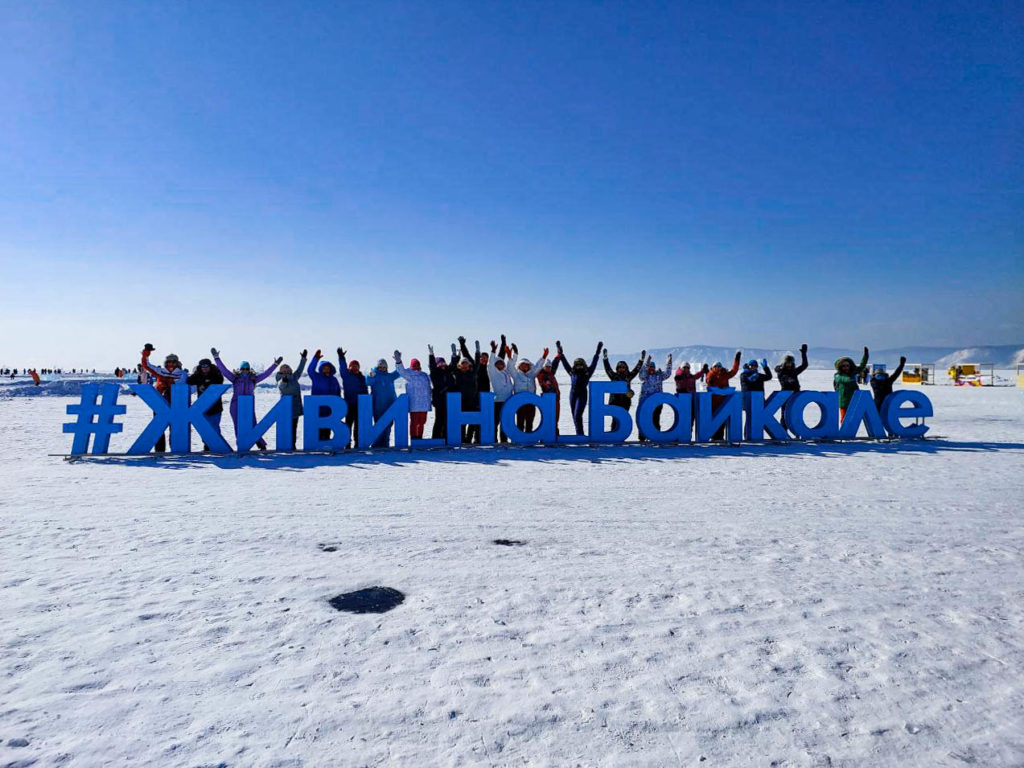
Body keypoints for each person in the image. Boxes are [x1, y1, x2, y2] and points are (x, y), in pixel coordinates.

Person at [213, 349, 281, 451]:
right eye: (243, 368)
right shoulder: (235, 378)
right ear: (240, 369)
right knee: (238, 425)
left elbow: (266, 373)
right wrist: (216, 358)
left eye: (246, 368)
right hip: (235, 405)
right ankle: (241, 444)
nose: (244, 370)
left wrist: (275, 365)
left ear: (249, 369)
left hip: (249, 405)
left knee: (253, 424)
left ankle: (261, 444)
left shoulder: (253, 379)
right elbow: (224, 370)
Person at [141, 346, 188, 452]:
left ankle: (175, 448)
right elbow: (146, 365)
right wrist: (146, 353)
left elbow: (181, 386)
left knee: (175, 427)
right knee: (158, 427)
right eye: (169, 362)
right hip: (160, 403)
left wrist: (168, 382)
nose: (171, 364)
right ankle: (159, 450)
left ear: (177, 363)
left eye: (173, 362)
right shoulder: (160, 371)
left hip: (175, 404)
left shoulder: (182, 373)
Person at [554, 340, 602, 436]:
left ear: (584, 365)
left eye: (581, 364)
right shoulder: (572, 372)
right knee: (575, 416)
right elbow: (565, 363)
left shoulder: (588, 372)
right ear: (575, 366)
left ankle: (580, 435)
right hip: (573, 394)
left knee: (577, 415)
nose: (579, 366)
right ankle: (579, 435)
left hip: (582, 394)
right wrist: (560, 352)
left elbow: (594, 362)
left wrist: (597, 352)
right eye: (577, 365)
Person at [187, 357, 226, 452]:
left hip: (216, 407)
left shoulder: (216, 375)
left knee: (215, 427)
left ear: (210, 366)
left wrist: (207, 384)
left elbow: (220, 381)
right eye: (202, 366)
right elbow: (189, 381)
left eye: (206, 366)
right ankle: (207, 445)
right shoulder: (198, 376)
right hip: (203, 408)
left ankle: (217, 446)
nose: (204, 368)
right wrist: (196, 373)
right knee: (204, 428)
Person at [602, 347, 646, 433]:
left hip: (625, 402)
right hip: (614, 402)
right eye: (619, 367)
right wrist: (605, 358)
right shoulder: (614, 376)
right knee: (615, 420)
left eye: (623, 367)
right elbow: (607, 368)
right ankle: (613, 436)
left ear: (626, 368)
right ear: (617, 368)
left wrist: (641, 360)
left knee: (623, 420)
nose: (621, 369)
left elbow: (636, 369)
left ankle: (621, 436)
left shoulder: (628, 376)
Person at [509, 343, 548, 433]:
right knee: (520, 422)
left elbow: (538, 366)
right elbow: (510, 367)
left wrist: (543, 357)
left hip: (531, 402)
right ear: (519, 366)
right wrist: (514, 354)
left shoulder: (532, 374)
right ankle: (519, 439)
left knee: (529, 422)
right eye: (522, 365)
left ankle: (529, 438)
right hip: (520, 402)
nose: (525, 366)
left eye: (526, 365)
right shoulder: (516, 375)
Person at [705, 351, 742, 440]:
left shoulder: (725, 374)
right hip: (713, 402)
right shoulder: (711, 375)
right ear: (712, 367)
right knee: (714, 420)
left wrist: (737, 359)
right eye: (716, 366)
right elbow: (708, 382)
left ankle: (720, 437)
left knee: (722, 421)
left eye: (719, 366)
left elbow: (734, 370)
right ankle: (714, 436)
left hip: (723, 402)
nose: (718, 368)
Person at [395, 350, 432, 440]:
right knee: (414, 422)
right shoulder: (408, 374)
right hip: (414, 404)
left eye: (417, 365)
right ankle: (414, 438)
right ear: (411, 366)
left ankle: (420, 437)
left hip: (424, 404)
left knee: (422, 422)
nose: (416, 367)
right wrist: (399, 362)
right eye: (414, 365)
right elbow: (401, 371)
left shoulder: (424, 375)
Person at [335, 347, 369, 447]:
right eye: (352, 366)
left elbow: (365, 390)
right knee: (348, 424)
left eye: (356, 366)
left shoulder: (362, 378)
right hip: (349, 404)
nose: (354, 368)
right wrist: (341, 357)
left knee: (358, 425)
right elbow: (342, 368)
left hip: (359, 405)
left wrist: (366, 402)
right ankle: (347, 442)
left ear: (359, 368)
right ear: (349, 367)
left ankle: (357, 442)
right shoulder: (347, 376)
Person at [307, 349, 342, 443]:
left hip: (330, 409)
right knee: (318, 429)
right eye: (324, 367)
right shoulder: (316, 377)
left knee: (327, 429)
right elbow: (310, 370)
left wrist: (339, 404)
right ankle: (318, 445)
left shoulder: (334, 379)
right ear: (321, 369)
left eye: (328, 367)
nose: (326, 369)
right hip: (318, 409)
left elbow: (338, 392)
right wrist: (315, 359)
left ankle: (326, 445)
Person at [451, 337, 482, 444]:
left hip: (472, 400)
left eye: (466, 363)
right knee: (461, 422)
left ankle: (469, 438)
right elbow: (453, 366)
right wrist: (454, 355)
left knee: (472, 420)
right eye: (463, 363)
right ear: (460, 365)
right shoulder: (458, 373)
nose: (465, 365)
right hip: (461, 401)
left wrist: (477, 352)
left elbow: (477, 364)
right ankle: (462, 439)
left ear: (469, 365)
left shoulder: (472, 373)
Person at [365, 358, 401, 448]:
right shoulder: (375, 376)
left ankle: (385, 443)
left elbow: (399, 372)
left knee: (388, 426)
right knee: (378, 425)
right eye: (380, 367)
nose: (382, 368)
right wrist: (370, 375)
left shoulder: (389, 376)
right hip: (378, 405)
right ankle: (377, 444)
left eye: (384, 367)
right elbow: (368, 382)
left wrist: (398, 362)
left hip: (390, 405)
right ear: (377, 367)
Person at [637, 353, 673, 441]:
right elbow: (641, 375)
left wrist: (669, 363)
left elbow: (668, 374)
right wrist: (646, 363)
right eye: (650, 367)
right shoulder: (645, 376)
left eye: (653, 367)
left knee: (655, 418)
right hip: (645, 402)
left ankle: (656, 436)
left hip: (657, 402)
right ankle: (642, 437)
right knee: (644, 419)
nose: (651, 369)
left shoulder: (659, 376)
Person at [486, 335, 515, 442]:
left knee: (505, 422)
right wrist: (493, 351)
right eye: (498, 363)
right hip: (498, 401)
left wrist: (510, 352)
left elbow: (510, 363)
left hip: (508, 400)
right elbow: (491, 363)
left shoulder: (506, 372)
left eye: (502, 363)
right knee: (495, 422)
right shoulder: (493, 373)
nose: (500, 364)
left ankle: (504, 440)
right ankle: (493, 440)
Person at [276, 350, 307, 448]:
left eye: (288, 369)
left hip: (295, 407)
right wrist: (284, 381)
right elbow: (281, 387)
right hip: (286, 407)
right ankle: (285, 444)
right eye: (284, 370)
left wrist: (303, 358)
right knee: (286, 427)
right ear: (281, 371)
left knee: (294, 427)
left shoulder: (294, 377)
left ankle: (292, 445)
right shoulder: (279, 378)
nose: (286, 371)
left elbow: (300, 369)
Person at [428, 343, 456, 440]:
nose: (442, 365)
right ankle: (436, 438)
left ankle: (446, 437)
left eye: (443, 363)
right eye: (440, 363)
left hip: (449, 399)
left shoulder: (448, 371)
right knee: (439, 419)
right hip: (439, 399)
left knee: (448, 419)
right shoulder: (435, 373)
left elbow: (453, 364)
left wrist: (454, 355)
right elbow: (432, 366)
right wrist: (431, 355)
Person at [834, 347, 870, 423]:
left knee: (853, 419)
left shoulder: (852, 373)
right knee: (844, 419)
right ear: (840, 367)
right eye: (844, 366)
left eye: (847, 365)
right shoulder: (838, 375)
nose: (846, 367)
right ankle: (844, 430)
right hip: (844, 402)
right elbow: (841, 379)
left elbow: (862, 366)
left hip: (854, 399)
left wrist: (866, 356)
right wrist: (849, 380)